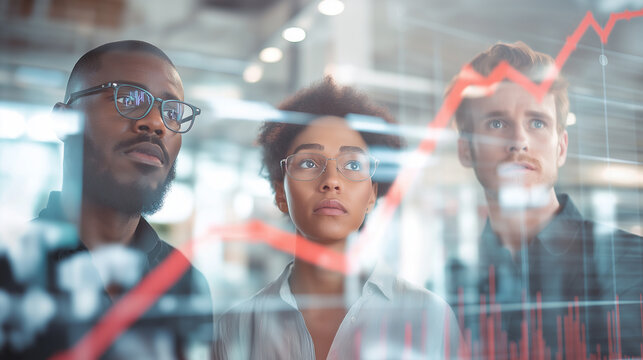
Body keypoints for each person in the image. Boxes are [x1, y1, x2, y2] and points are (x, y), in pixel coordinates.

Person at [215, 77, 460, 360]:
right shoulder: (238, 327)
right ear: (280, 191)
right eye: (308, 162)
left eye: (353, 165)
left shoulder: (428, 318)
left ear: (372, 194)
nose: (331, 180)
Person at [0, 40, 212, 359]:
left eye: (172, 112)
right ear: (64, 121)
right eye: (128, 98)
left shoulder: (185, 283)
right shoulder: (10, 268)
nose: (156, 123)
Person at [446, 41, 643, 358]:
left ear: (561, 148)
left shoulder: (633, 267)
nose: (519, 141)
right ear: (465, 150)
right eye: (497, 123)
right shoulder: (452, 283)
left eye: (537, 122)